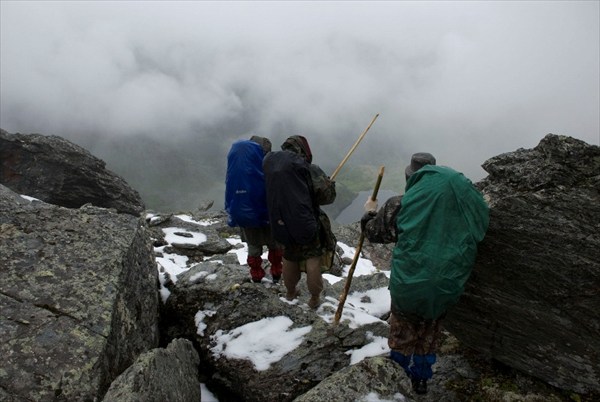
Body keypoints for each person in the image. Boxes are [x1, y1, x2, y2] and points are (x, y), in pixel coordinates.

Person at [361, 152, 489, 395]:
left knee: (402, 331)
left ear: (411, 177)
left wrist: (369, 212)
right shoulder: (461, 205)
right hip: (446, 284)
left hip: (409, 284)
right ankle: (421, 380)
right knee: (430, 332)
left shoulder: (401, 204)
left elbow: (374, 233)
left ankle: (397, 377)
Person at [263, 135, 336, 309]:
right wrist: (330, 185)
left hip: (280, 222)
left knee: (289, 256)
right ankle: (314, 298)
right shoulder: (309, 168)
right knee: (312, 258)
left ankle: (290, 292)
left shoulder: (271, 166)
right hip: (305, 223)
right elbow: (326, 197)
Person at [225, 135, 283, 283]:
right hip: (267, 214)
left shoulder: (238, 167)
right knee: (274, 245)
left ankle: (256, 275)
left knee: (253, 247)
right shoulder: (267, 166)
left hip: (245, 215)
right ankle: (276, 272)